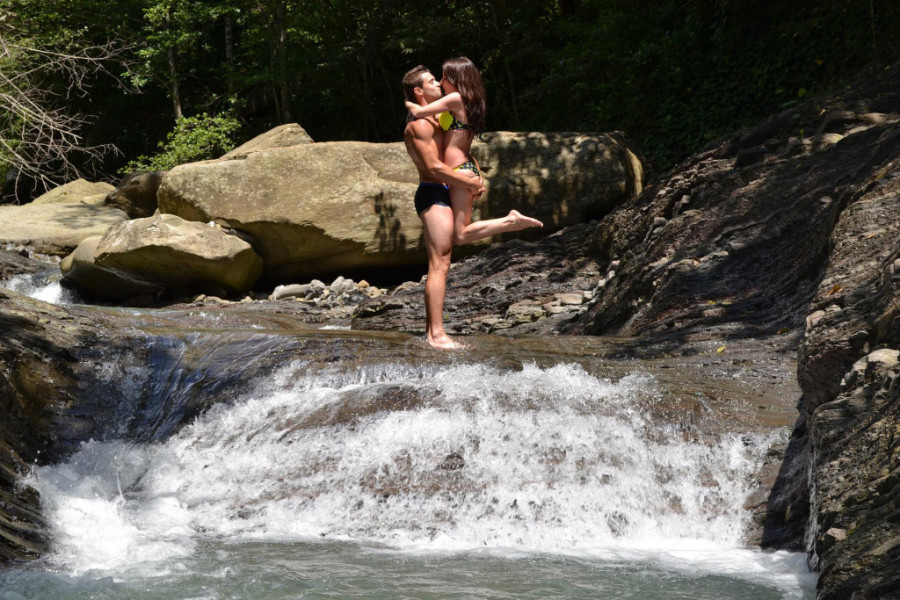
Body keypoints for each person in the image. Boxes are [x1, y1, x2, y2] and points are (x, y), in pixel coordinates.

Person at [405, 56, 542, 246]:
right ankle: (510, 222)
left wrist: (409, 102)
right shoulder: (464, 103)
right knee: (458, 234)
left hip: (460, 171)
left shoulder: (455, 98)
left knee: (460, 235)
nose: (441, 82)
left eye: (445, 78)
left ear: (457, 78)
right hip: (463, 168)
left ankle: (510, 222)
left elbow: (420, 112)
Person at [402, 65, 484, 349]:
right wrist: (469, 183)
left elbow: (457, 151)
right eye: (431, 81)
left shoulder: (440, 118)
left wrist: (475, 171)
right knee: (440, 263)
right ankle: (436, 335)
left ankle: (432, 332)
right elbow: (434, 168)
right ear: (418, 91)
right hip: (432, 192)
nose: (438, 83)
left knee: (444, 261)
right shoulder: (419, 125)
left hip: (446, 190)